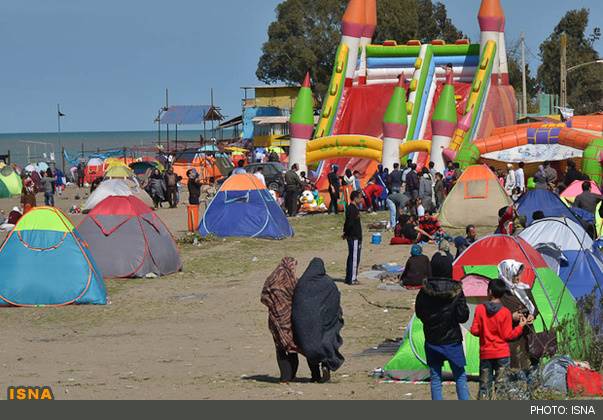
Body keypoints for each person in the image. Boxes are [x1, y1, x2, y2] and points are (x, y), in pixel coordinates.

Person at [415, 252, 470, 400]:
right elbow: (463, 316)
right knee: (459, 375)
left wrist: (431, 322)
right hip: (452, 340)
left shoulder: (424, 290)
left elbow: (419, 312)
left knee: (436, 378)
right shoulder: (457, 290)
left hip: (432, 339)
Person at [471, 278, 527, 400]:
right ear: (502, 294)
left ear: (489, 291)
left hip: (486, 353)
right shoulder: (505, 312)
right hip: (502, 353)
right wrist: (520, 327)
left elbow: (474, 330)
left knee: (484, 386)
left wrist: (485, 331)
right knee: (502, 386)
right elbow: (508, 336)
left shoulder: (480, 309)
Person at [292, 258, 345, 383]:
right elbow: (335, 300)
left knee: (310, 347)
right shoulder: (328, 282)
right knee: (327, 343)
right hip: (325, 323)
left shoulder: (302, 283)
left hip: (306, 324)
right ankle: (326, 365)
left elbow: (297, 303)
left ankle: (315, 375)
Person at [261, 257, 301, 383]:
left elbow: (263, 296)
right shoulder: (291, 279)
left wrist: (274, 306)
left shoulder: (272, 278)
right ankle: (291, 375)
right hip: (288, 318)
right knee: (291, 347)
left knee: (280, 348)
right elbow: (298, 295)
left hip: (275, 318)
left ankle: (285, 377)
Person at [498, 260, 539, 380]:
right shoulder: (501, 292)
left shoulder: (524, 289)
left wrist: (532, 315)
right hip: (512, 334)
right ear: (507, 274)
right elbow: (497, 315)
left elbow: (535, 308)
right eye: (515, 275)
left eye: (519, 274)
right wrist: (511, 316)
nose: (518, 278)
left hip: (527, 332)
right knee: (514, 365)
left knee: (529, 361)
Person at [343, 191, 363, 286]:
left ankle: (349, 277)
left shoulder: (354, 208)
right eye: (360, 198)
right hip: (354, 237)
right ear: (355, 198)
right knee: (354, 258)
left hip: (355, 236)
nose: (361, 199)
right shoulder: (352, 209)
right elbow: (349, 223)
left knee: (352, 257)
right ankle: (352, 278)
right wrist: (346, 233)